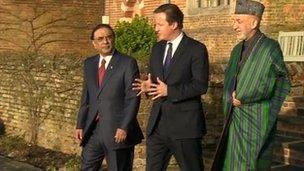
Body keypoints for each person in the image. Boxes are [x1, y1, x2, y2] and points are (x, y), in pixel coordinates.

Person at [211, 0, 291, 170]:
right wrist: (231, 94)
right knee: (231, 163)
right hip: (234, 119)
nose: (234, 26)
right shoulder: (236, 50)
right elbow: (230, 80)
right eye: (234, 21)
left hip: (256, 119)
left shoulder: (270, 48)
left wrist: (251, 99)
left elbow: (282, 81)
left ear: (254, 22)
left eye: (238, 21)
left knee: (252, 164)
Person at [133, 3, 209, 171]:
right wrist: (148, 86)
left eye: (160, 24)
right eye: (155, 24)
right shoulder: (157, 49)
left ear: (174, 24)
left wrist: (170, 91)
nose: (155, 28)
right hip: (158, 126)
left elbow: (200, 85)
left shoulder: (196, 49)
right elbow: (157, 83)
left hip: (184, 127)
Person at [75, 24, 144, 171]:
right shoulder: (89, 64)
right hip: (93, 130)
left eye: (109, 37)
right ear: (94, 44)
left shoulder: (127, 63)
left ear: (114, 39)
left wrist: (124, 126)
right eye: (100, 39)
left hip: (117, 131)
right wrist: (80, 124)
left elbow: (132, 97)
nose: (105, 41)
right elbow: (86, 96)